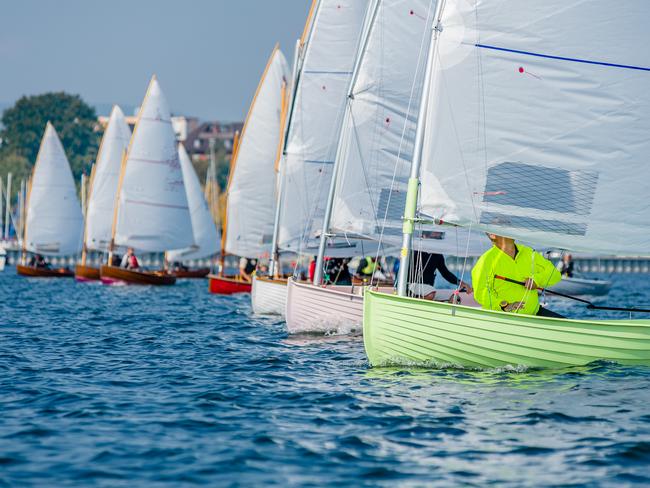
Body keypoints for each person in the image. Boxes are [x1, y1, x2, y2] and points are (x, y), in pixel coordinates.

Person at [472, 233, 563, 317]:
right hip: (502, 317)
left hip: (533, 314)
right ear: (493, 235)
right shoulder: (486, 260)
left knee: (567, 325)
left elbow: (555, 274)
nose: (510, 228)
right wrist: (505, 306)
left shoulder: (529, 252)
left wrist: (536, 280)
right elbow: (480, 293)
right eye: (504, 225)